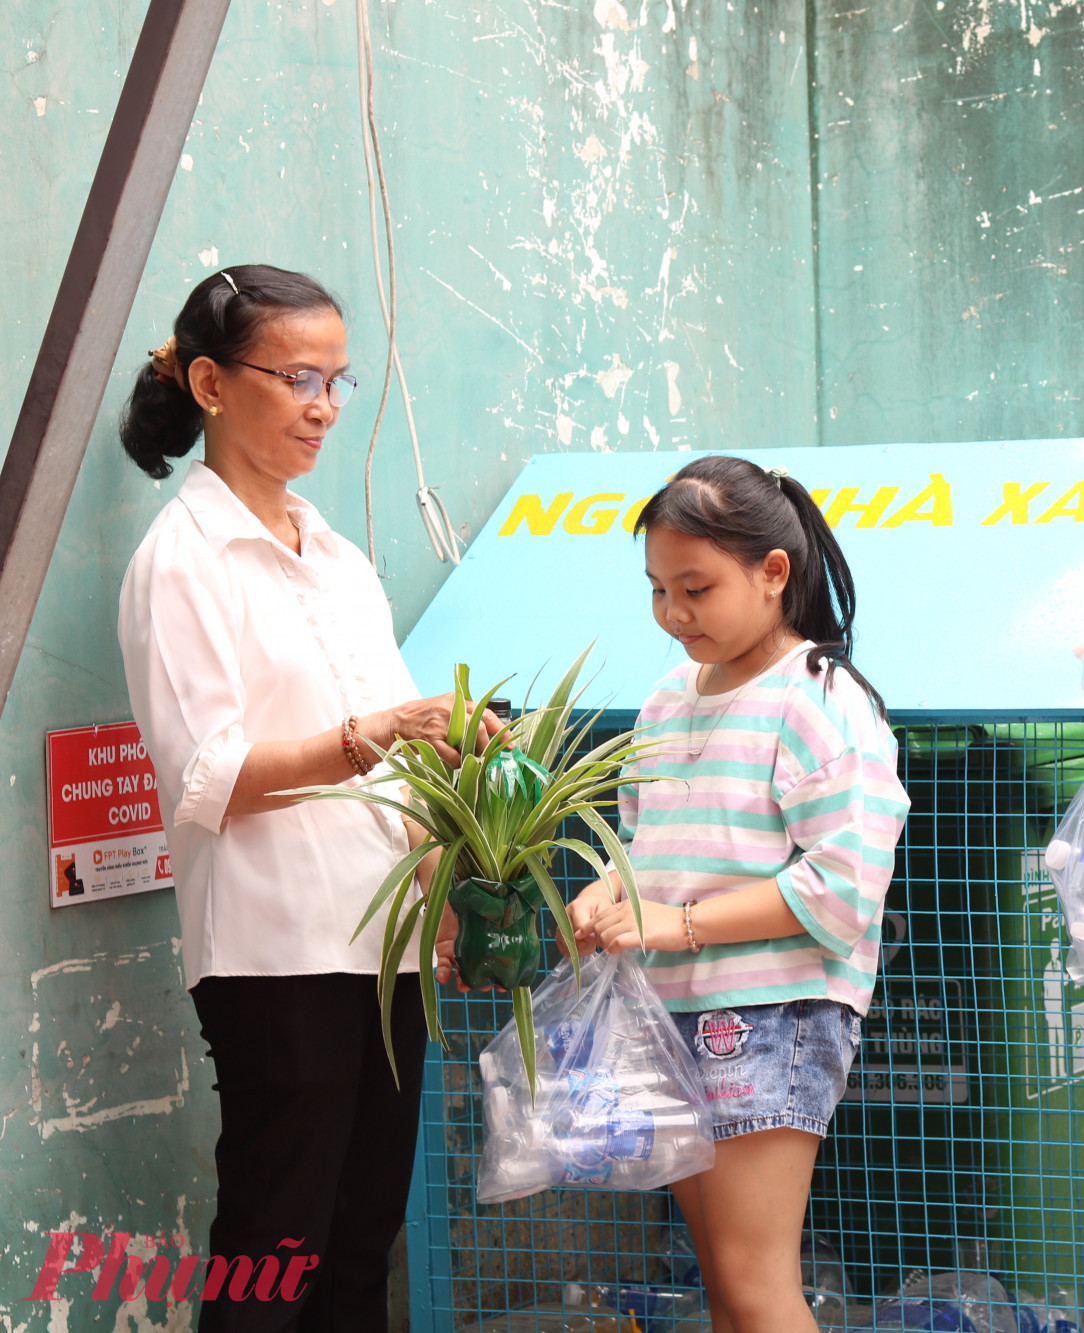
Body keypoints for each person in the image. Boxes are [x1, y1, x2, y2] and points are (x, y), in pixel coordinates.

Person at [116, 266, 496, 1331]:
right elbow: (206, 777)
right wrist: (357, 739)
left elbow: (397, 744)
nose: (324, 405)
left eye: (337, 379)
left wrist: (438, 875)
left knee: (360, 1237)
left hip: (386, 945)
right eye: (295, 377)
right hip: (274, 949)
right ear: (209, 382)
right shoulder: (183, 562)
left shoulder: (334, 555)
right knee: (273, 1244)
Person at [564, 455, 910, 1333]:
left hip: (771, 1014)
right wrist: (607, 894)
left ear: (773, 573)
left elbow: (840, 889)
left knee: (755, 1282)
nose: (675, 615)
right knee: (724, 1282)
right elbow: (647, 845)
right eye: (657, 590)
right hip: (673, 1010)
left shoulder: (818, 698)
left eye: (696, 587)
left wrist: (672, 923)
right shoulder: (667, 699)